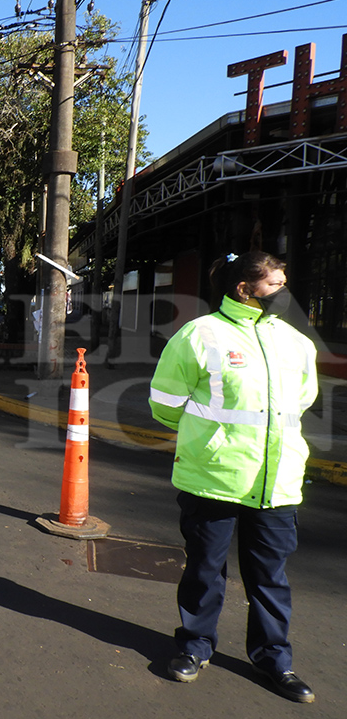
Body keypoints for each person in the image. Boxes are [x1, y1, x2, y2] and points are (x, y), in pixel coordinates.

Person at [148, 250, 318, 703]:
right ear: (244, 289)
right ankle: (195, 646)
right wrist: (213, 439)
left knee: (270, 578)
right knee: (205, 571)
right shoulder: (200, 334)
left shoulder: (295, 342)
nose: (284, 292)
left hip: (277, 481)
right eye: (275, 285)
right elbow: (164, 403)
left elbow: (302, 400)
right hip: (213, 477)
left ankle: (274, 659)